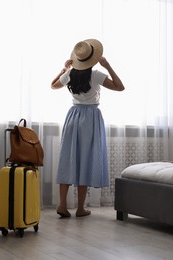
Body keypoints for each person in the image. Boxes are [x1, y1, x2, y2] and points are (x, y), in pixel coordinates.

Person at [51, 39, 125, 218]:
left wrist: (64, 69)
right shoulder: (97, 74)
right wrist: (108, 66)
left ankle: (62, 204)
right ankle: (80, 208)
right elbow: (120, 87)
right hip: (90, 117)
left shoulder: (70, 75)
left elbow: (53, 85)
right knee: (85, 159)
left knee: (69, 158)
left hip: (73, 116)